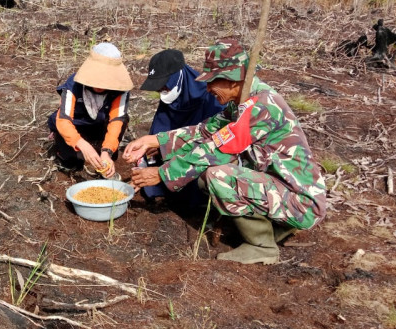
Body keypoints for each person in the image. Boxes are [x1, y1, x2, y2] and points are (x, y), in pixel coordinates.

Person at [124, 38, 326, 265]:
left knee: (216, 175)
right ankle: (274, 227)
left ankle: (262, 245)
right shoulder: (241, 102)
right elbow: (204, 131)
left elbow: (215, 151)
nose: (208, 89)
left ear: (232, 81)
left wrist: (162, 174)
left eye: (213, 82)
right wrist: (155, 140)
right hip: (281, 187)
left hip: (302, 202)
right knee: (206, 175)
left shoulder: (260, 107)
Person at [138, 49, 224, 203]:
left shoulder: (212, 98)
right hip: (175, 149)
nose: (162, 92)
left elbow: (211, 145)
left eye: (165, 87)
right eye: (159, 89)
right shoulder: (171, 97)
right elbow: (161, 132)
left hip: (200, 154)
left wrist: (164, 166)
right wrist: (155, 146)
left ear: (177, 77)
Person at [47, 43, 133, 179]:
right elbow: (64, 120)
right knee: (72, 160)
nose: (100, 86)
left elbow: (117, 121)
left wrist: (107, 151)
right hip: (76, 123)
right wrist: (81, 144)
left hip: (100, 123)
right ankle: (67, 147)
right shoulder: (73, 85)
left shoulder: (120, 90)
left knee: (108, 147)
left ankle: (100, 146)